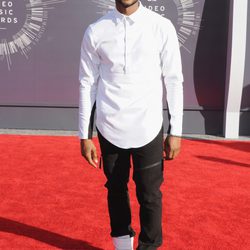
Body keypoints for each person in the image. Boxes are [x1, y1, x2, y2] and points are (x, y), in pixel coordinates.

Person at [78, 0, 183, 249]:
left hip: (149, 125)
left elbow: (174, 79)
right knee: (115, 190)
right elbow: (87, 83)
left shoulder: (161, 27)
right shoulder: (96, 30)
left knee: (150, 195)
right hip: (109, 126)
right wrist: (84, 135)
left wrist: (175, 129)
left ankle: (149, 245)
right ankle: (122, 246)